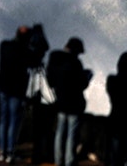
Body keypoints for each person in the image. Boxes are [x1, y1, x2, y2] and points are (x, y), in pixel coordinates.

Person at [45, 37, 92, 166]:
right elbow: (81, 84)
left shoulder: (55, 58)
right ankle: (69, 161)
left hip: (61, 102)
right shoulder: (75, 63)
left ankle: (58, 160)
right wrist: (87, 77)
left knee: (60, 133)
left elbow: (51, 80)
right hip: (74, 104)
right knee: (72, 135)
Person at [0, 26, 36, 163]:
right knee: (13, 122)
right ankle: (10, 152)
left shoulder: (4, 46)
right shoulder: (26, 52)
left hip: (3, 88)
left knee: (3, 121)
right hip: (16, 92)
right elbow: (35, 61)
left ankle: (2, 151)